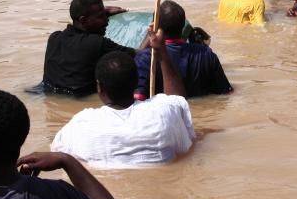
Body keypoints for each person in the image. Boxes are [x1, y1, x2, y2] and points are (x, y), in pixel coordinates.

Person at [51, 32, 194, 167]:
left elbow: (57, 151)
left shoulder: (80, 124)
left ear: (99, 88)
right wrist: (162, 51)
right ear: (137, 82)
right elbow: (178, 100)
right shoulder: (162, 113)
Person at [135, 0, 232, 99]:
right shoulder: (206, 53)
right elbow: (225, 92)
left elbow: (138, 97)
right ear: (183, 25)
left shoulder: (146, 58)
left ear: (155, 27)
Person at [42, 0, 132, 96]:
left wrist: (102, 13)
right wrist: (151, 34)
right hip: (79, 98)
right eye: (100, 16)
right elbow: (138, 54)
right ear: (83, 20)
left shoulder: (54, 38)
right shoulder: (96, 42)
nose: (106, 21)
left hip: (46, 93)